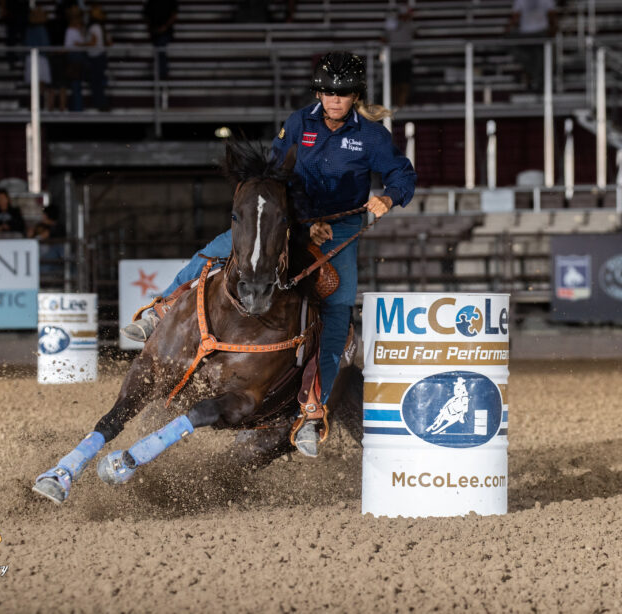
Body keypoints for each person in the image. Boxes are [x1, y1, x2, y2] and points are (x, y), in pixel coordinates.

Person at [122, 51, 416, 457]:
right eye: (329, 93)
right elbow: (275, 174)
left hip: (341, 228)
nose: (334, 100)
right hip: (289, 219)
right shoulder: (298, 123)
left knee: (337, 309)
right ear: (319, 93)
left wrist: (389, 197)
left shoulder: (371, 136)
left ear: (354, 96)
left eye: (343, 94)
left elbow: (403, 173)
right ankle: (162, 307)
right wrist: (301, 220)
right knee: (215, 250)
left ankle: (312, 409)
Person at [508, 0, 558, 92]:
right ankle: (534, 78)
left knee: (541, 59)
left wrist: (553, 30)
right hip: (525, 34)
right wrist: (507, 31)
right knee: (529, 58)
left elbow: (552, 15)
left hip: (541, 33)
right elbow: (515, 16)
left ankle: (537, 80)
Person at [24, 6, 53, 110]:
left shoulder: (29, 30)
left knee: (34, 84)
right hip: (40, 58)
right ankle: (38, 105)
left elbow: (26, 44)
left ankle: (34, 105)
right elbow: (45, 45)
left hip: (30, 57)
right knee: (40, 84)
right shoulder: (41, 29)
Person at [384, 6, 414, 107]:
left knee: (405, 84)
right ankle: (395, 106)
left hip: (405, 58)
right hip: (393, 59)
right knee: (394, 85)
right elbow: (383, 38)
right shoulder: (391, 24)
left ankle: (401, 106)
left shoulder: (410, 25)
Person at [143, 0, 178, 80]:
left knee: (160, 50)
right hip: (155, 32)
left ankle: (162, 76)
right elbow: (145, 14)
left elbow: (174, 14)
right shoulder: (151, 2)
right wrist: (151, 28)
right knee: (159, 51)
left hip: (166, 32)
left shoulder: (170, 2)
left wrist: (165, 27)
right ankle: (161, 76)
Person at [64, 6, 88, 111]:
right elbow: (70, 45)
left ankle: (78, 106)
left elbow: (81, 42)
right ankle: (77, 107)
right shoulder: (71, 31)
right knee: (75, 84)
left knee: (77, 84)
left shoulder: (78, 31)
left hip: (77, 57)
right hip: (74, 57)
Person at [87, 5, 111, 111]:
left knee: (96, 82)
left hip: (96, 57)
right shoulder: (102, 27)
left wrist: (80, 44)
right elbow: (109, 42)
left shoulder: (94, 27)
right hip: (101, 56)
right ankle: (101, 103)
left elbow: (93, 42)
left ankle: (100, 104)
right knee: (98, 81)